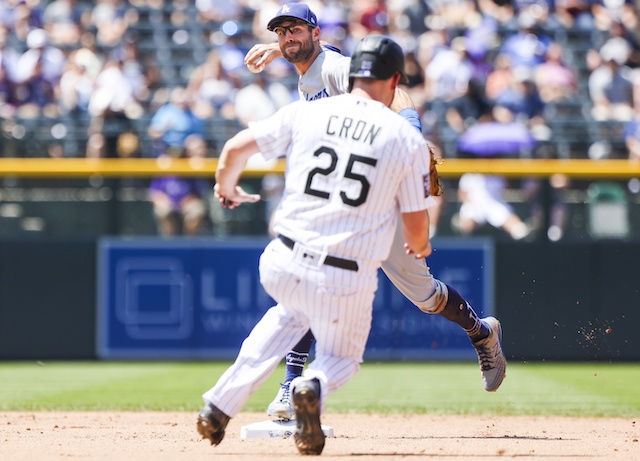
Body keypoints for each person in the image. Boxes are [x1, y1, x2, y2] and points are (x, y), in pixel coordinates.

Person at [243, 3, 507, 423]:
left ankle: (482, 332)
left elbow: (395, 90)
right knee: (315, 279)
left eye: (294, 29)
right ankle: (288, 386)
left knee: (426, 297)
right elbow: (308, 53)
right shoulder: (311, 67)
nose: (287, 37)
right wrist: (278, 50)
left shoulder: (331, 67)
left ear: (314, 31)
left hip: (384, 197)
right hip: (353, 205)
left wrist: (414, 135)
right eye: (280, 32)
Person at [198, 34, 434, 456]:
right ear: (395, 79)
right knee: (342, 359)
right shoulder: (405, 140)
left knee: (287, 316)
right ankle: (312, 386)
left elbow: (235, 148)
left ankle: (219, 403)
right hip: (343, 273)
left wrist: (225, 187)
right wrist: (420, 247)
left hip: (282, 257)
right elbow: (416, 231)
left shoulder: (310, 110)